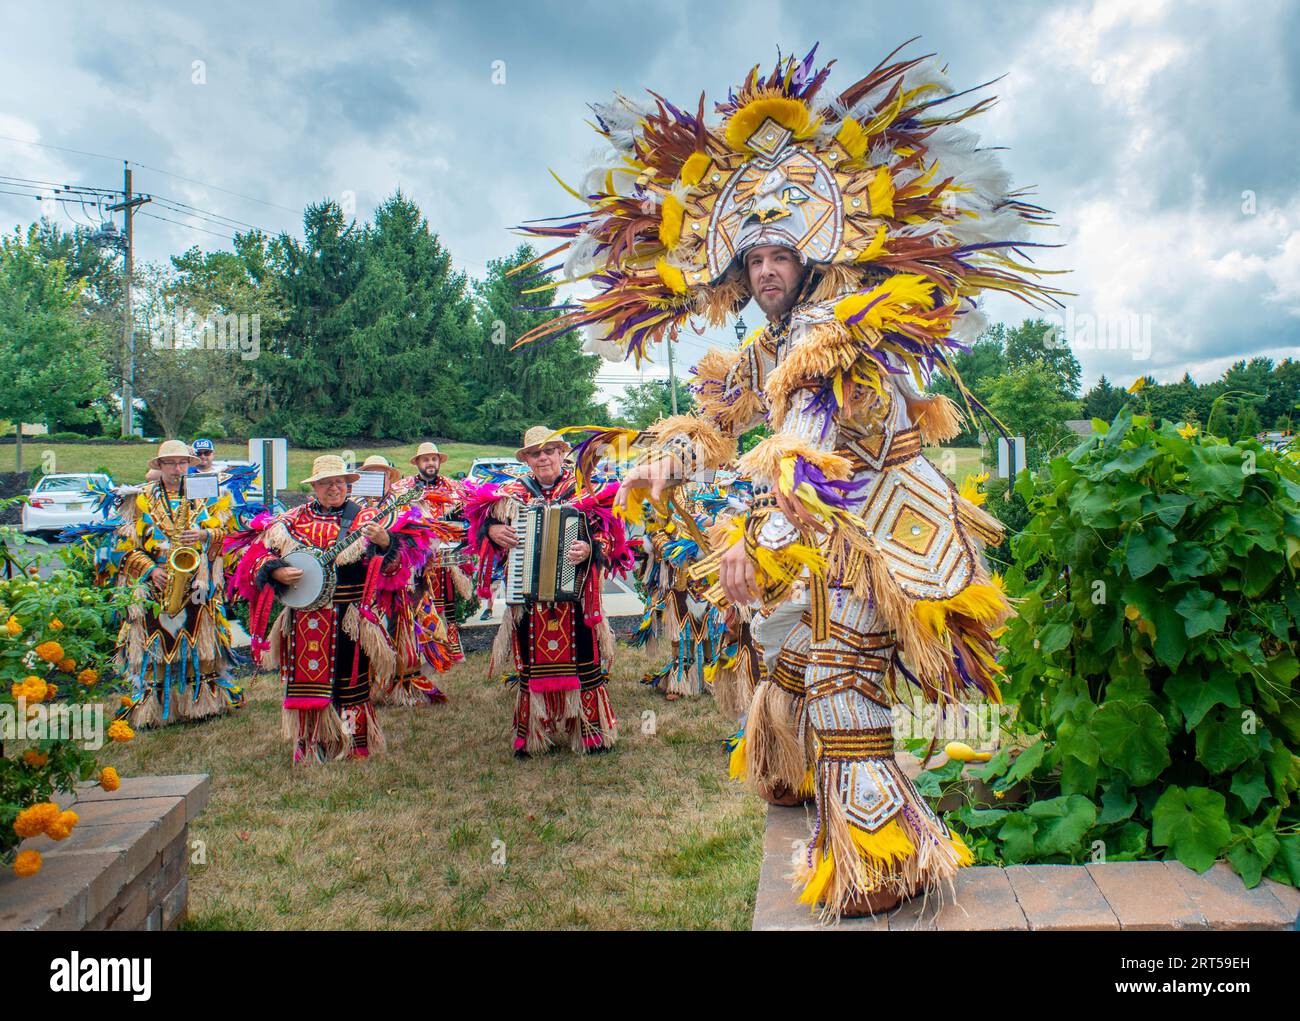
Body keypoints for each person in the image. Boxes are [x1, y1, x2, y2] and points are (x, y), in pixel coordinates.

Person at [515, 45, 1060, 918]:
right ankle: (792, 778)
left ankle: (883, 863)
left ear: (809, 258)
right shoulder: (763, 347)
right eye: (753, 259)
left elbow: (805, 452)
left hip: (875, 534)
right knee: (783, 654)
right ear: (738, 272)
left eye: (780, 254)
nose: (766, 269)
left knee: (841, 677)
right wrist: (665, 458)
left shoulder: (836, 333)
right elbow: (722, 425)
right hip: (823, 529)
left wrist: (751, 538)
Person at [228, 455, 419, 763]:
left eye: (341, 483)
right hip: (306, 617)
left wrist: (385, 544)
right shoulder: (291, 521)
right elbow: (255, 560)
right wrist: (275, 571)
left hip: (349, 617)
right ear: (314, 486)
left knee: (351, 680)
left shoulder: (366, 518)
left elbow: (392, 571)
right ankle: (313, 741)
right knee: (308, 682)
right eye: (328, 483)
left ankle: (351, 739)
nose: (335, 488)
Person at [464, 427, 622, 758]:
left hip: (576, 597)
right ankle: (536, 733)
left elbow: (609, 534)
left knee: (584, 663)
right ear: (528, 460)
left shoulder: (583, 489)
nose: (543, 457)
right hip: (528, 598)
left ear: (562, 454)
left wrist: (589, 548)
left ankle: (590, 732)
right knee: (532, 667)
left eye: (549, 450)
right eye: (536, 453)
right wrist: (493, 530)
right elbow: (476, 526)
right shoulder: (511, 493)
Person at [108, 439, 242, 727]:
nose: (177, 469)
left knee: (200, 643)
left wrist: (206, 537)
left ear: (190, 465)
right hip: (157, 579)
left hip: (196, 581)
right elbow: (122, 545)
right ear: (159, 466)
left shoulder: (206, 495)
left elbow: (227, 536)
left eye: (182, 463)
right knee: (156, 645)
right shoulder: (140, 498)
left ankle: (202, 703)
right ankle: (156, 708)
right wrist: (148, 571)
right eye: (170, 463)